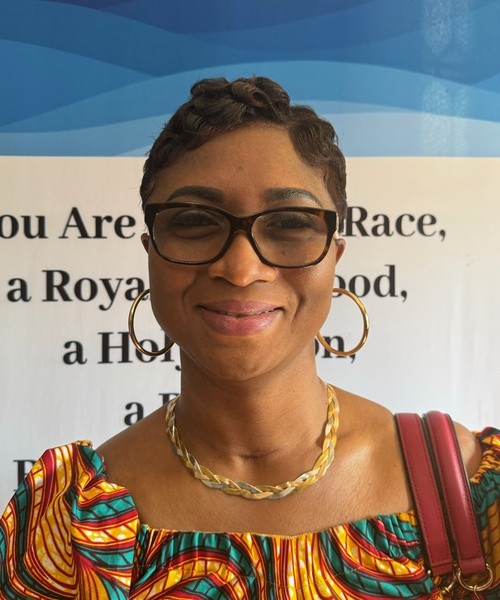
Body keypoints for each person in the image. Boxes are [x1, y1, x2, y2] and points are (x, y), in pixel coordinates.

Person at [0, 76, 498, 599]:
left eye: (290, 223)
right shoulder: (70, 527)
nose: (241, 269)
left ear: (334, 258)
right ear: (151, 253)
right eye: (195, 220)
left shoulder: (466, 491)